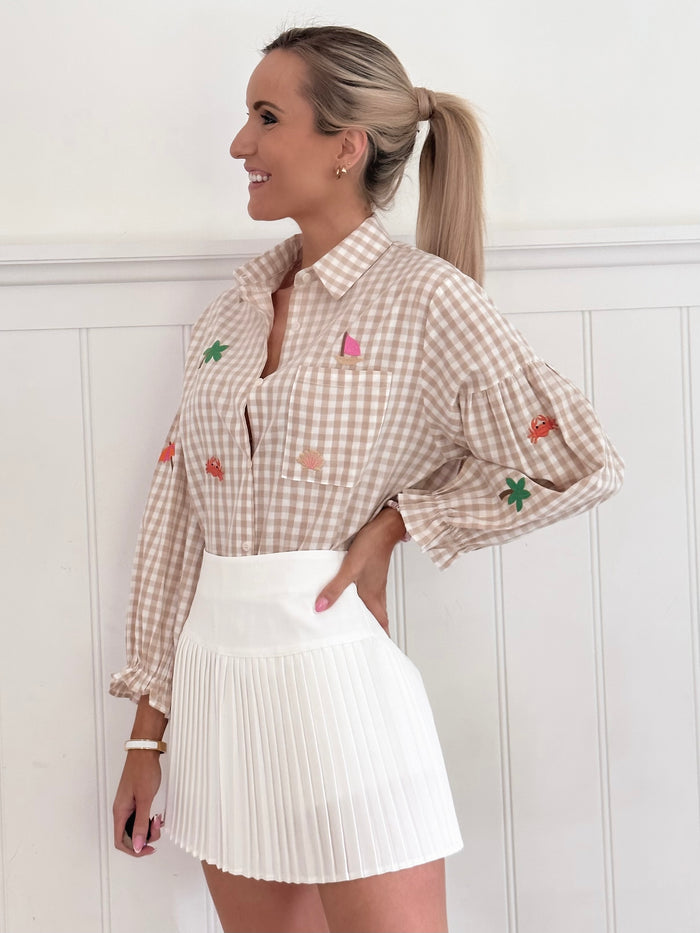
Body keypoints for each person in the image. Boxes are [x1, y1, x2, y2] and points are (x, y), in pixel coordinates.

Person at [110, 25, 623, 933]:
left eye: (267, 118)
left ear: (345, 147)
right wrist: (148, 733)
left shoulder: (424, 298)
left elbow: (578, 460)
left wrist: (401, 523)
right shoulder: (230, 313)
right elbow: (177, 518)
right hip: (220, 692)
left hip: (339, 682)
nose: (240, 144)